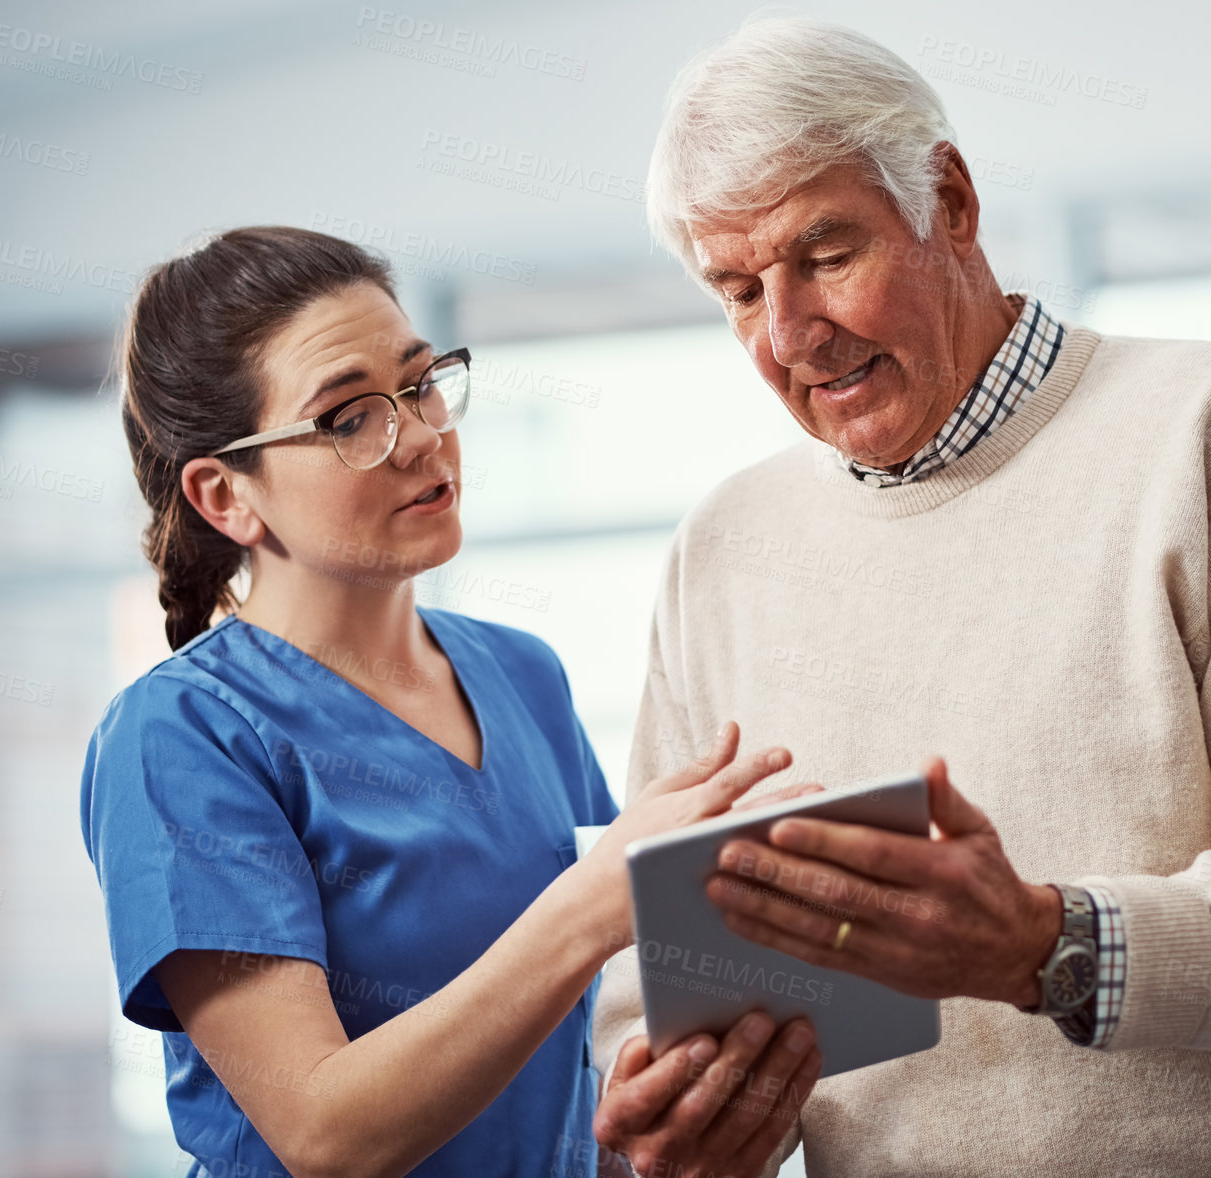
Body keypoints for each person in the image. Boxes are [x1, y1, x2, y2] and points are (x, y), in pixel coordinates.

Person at [591, 18, 1211, 1178]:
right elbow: (661, 964)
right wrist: (681, 1096)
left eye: (827, 255)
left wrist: (1047, 945)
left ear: (948, 199)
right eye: (740, 290)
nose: (791, 334)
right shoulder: (722, 552)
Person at [80, 226, 820, 1178]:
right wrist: (592, 906)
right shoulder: (183, 737)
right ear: (226, 496)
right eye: (350, 418)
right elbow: (323, 1134)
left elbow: (595, 1029)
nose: (424, 435)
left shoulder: (524, 675)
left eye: (422, 383)